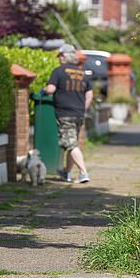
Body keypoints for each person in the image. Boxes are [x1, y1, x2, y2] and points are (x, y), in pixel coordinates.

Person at [44, 44, 93, 183]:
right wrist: (83, 108)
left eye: (59, 56)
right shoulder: (82, 73)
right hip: (79, 114)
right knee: (73, 143)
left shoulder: (58, 71)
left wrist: (44, 89)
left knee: (71, 145)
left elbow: (50, 90)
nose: (59, 59)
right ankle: (66, 173)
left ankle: (83, 173)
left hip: (64, 114)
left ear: (64, 56)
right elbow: (89, 94)